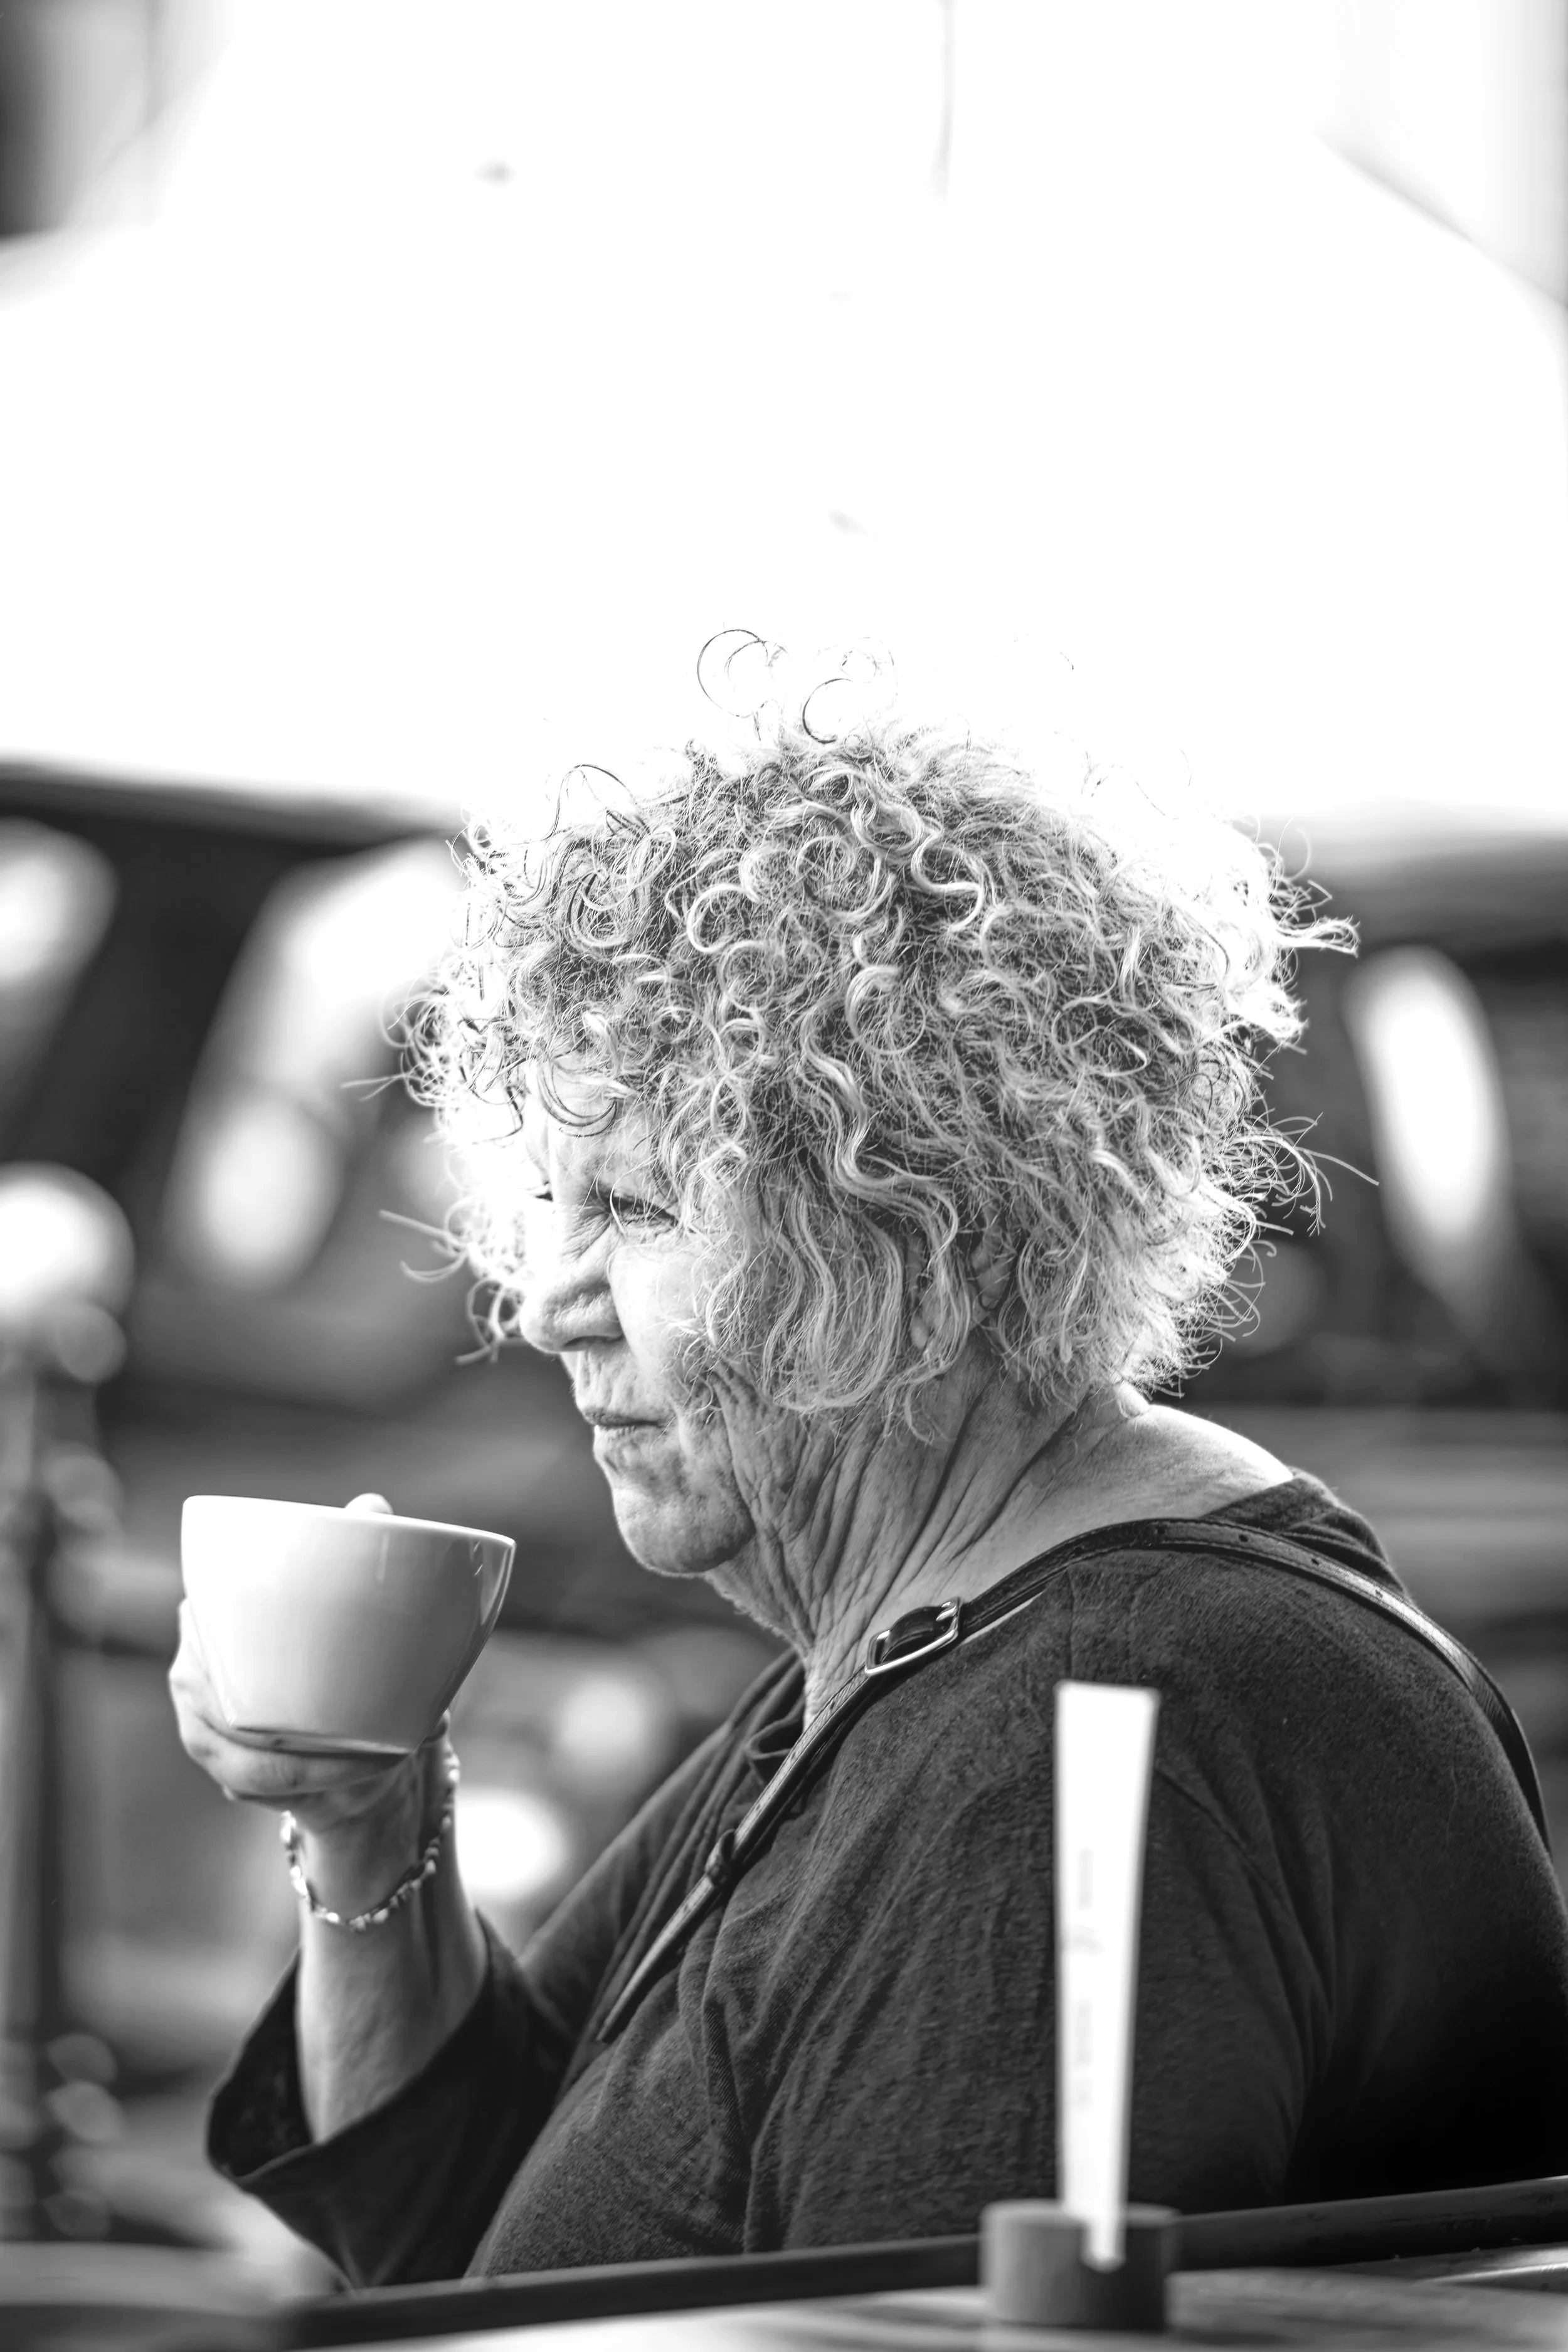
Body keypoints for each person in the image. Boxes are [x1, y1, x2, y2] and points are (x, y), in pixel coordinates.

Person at [171, 660, 1568, 2284]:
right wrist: (367, 1810)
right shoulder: (931, 1639)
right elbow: (463, 2229)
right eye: (545, 1204)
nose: (543, 1301)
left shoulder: (1078, 1728)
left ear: (910, 1228)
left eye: (631, 1208)